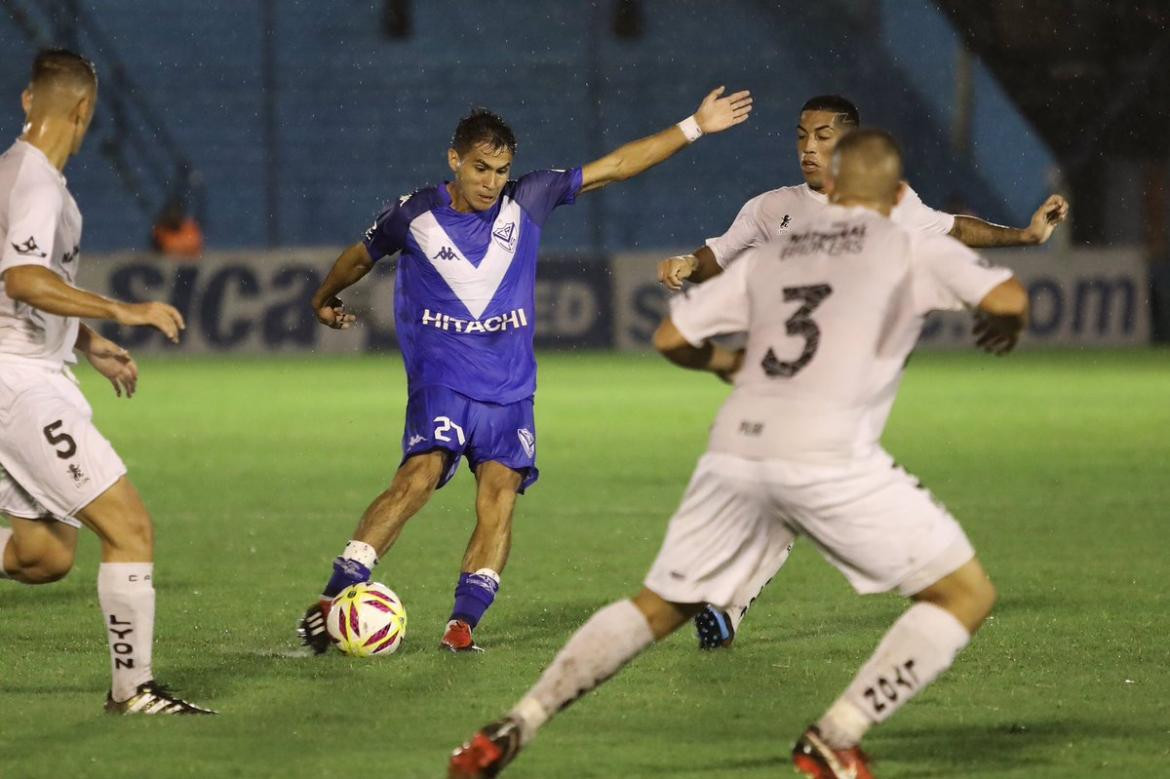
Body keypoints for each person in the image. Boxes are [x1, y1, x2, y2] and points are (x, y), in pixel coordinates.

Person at [448, 128, 1027, 778]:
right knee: (965, 594)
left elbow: (672, 336)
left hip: (735, 449)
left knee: (656, 606)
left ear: (830, 187)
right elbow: (1008, 297)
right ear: (897, 194)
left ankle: (517, 719)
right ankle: (838, 732)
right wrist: (1002, 323)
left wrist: (727, 360)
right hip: (826, 453)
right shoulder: (907, 243)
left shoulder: (776, 253)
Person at [297, 88, 754, 653]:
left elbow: (615, 166)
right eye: (481, 169)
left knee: (499, 496)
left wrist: (694, 126)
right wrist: (325, 295)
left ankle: (462, 626)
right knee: (417, 478)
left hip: (511, 390)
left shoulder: (530, 198)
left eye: (501, 170)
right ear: (454, 161)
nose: (491, 182)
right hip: (443, 379)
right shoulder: (413, 213)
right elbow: (360, 255)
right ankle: (333, 597)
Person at [658, 94, 1067, 649]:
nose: (808, 147)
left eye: (823, 136)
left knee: (788, 488)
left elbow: (953, 229)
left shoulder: (890, 205)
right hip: (783, 380)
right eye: (801, 135)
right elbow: (718, 256)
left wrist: (1024, 235)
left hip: (848, 382)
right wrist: (688, 263)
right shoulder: (769, 207)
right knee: (794, 487)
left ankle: (722, 604)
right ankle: (732, 606)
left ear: (848, 143)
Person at [0, 49, 211, 714]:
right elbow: (22, 280)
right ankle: (134, 689)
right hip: (20, 383)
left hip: (34, 370)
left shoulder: (16, 173)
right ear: (85, 110)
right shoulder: (36, 184)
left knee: (43, 553)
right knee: (130, 527)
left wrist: (88, 341)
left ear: (31, 101)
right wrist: (122, 307)